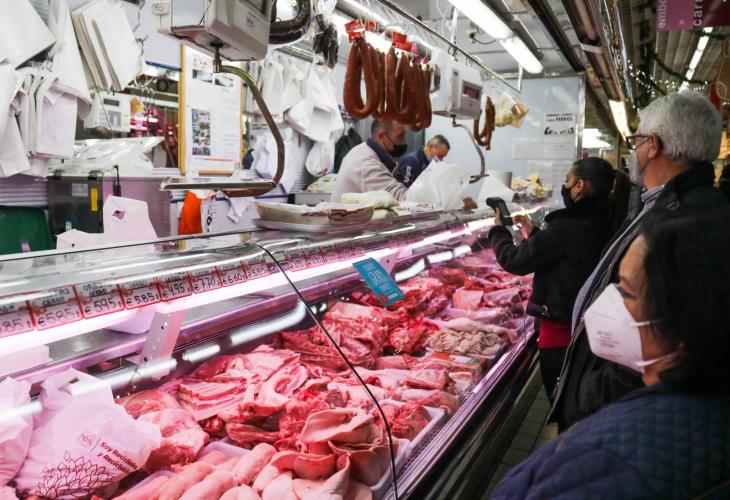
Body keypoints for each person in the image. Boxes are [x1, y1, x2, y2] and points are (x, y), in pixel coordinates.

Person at [492, 208, 730, 499]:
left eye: (626, 291)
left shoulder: (601, 462)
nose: (608, 302)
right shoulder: (709, 404)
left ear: (685, 318)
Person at [550, 90, 728, 432]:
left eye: (637, 140)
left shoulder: (687, 221)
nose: (634, 150)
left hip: (612, 413)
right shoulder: (661, 202)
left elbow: (670, 344)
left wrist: (590, 396)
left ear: (653, 145)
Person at [488, 157, 615, 402]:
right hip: (583, 326)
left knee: (562, 402)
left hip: (560, 333)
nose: (565, 185)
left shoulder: (568, 225)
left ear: (579, 185)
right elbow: (570, 253)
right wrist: (534, 233)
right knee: (574, 400)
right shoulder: (602, 218)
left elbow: (514, 260)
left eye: (567, 180)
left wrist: (498, 231)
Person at [330, 120, 408, 202]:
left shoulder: (362, 149)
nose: (405, 141)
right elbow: (401, 199)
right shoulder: (365, 163)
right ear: (382, 136)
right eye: (400, 136)